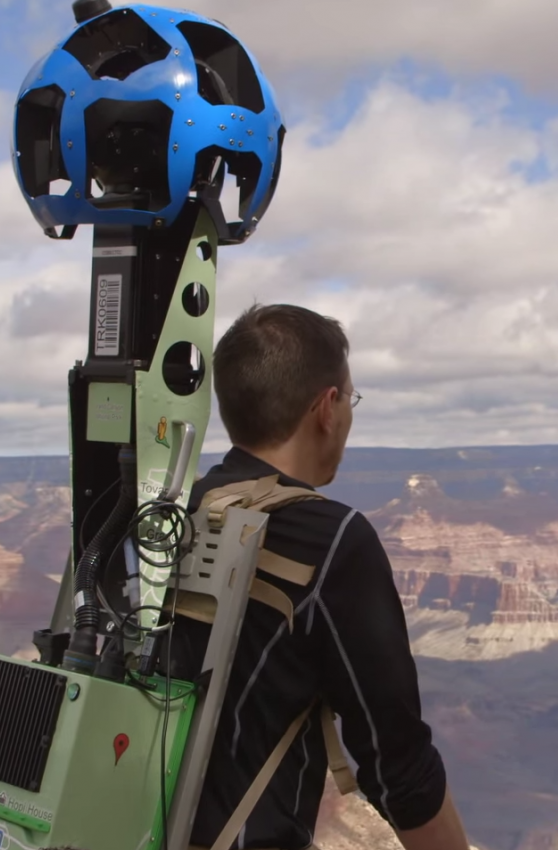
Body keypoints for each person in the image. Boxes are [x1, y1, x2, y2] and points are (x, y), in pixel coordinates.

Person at [169, 303, 471, 850]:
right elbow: (398, 765)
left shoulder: (173, 513)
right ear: (327, 408)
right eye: (349, 398)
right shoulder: (332, 540)